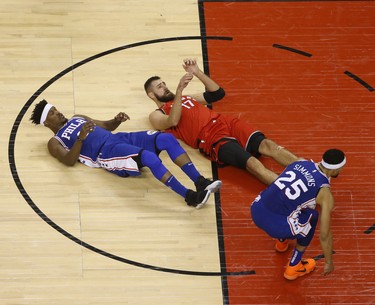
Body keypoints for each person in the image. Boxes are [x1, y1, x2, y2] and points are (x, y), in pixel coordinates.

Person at [30, 99, 222, 209]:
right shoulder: (54, 142)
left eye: (56, 109)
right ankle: (189, 196)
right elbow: (68, 161)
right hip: (106, 153)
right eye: (53, 113)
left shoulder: (77, 117)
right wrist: (80, 138)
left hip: (118, 138)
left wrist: (116, 120)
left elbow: (105, 126)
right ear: (46, 123)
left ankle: (200, 181)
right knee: (149, 158)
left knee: (166, 139)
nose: (58, 113)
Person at [144, 58, 299, 185]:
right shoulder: (157, 114)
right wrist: (179, 90)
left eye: (164, 84)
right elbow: (173, 121)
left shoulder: (186, 98)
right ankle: (290, 191)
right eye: (159, 87)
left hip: (225, 122)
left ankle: (307, 168)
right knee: (252, 164)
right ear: (151, 95)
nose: (164, 87)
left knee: (268, 145)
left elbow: (217, 93)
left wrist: (197, 72)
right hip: (210, 138)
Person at [250, 148, 346, 280]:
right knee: (313, 216)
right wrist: (329, 261)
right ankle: (294, 266)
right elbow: (324, 235)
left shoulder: (299, 162)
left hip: (256, 209)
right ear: (335, 170)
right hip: (275, 225)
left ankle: (282, 243)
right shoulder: (325, 193)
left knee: (290, 204)